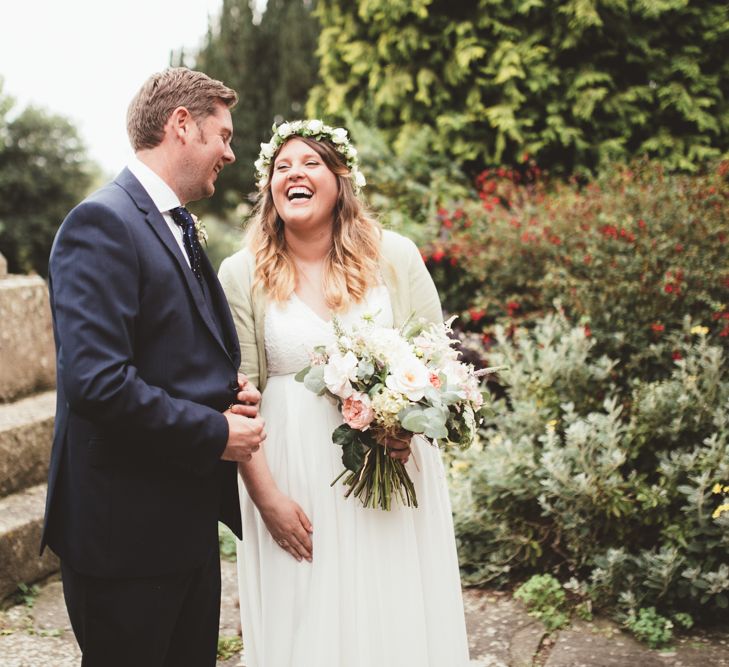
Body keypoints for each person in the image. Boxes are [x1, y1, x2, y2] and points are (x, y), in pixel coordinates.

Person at [218, 120, 470, 666]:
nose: (294, 174)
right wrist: (267, 500)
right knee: (303, 613)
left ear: (340, 178)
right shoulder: (241, 274)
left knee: (391, 610)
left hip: (390, 470)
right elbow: (236, 398)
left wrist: (408, 426)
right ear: (269, 189)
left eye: (310, 163)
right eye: (281, 167)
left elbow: (440, 364)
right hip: (291, 477)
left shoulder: (395, 256)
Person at [40, 67, 266, 667]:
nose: (230, 150)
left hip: (182, 527)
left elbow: (167, 350)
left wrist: (227, 390)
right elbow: (98, 382)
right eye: (223, 134)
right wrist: (217, 431)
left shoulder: (176, 227)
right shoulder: (102, 223)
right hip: (124, 537)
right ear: (182, 125)